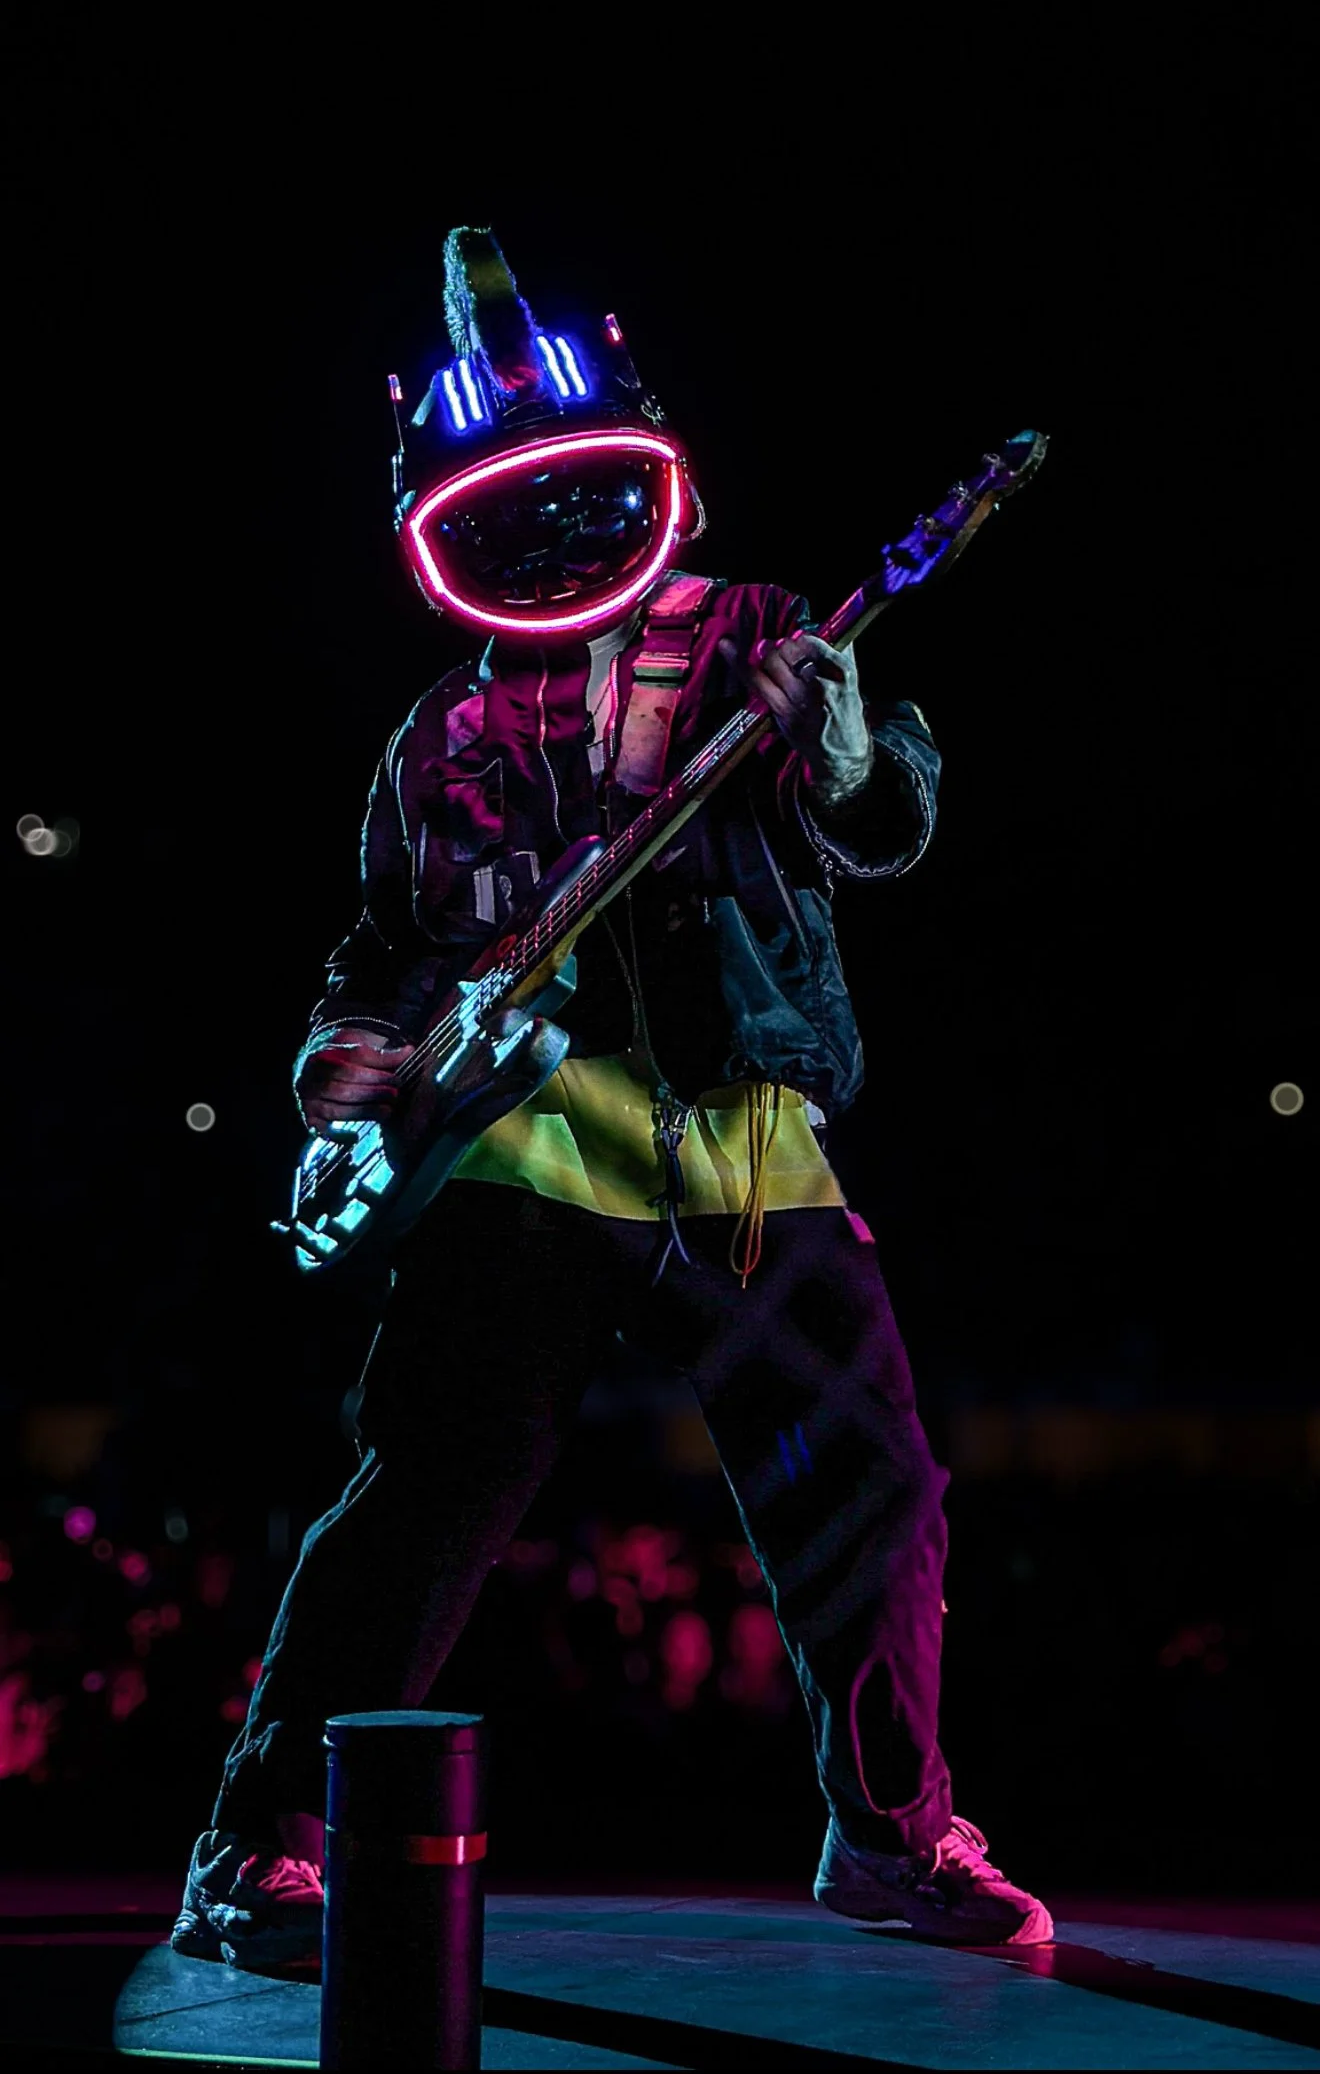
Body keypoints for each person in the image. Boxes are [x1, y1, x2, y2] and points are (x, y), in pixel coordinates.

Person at [171, 229, 1052, 1972]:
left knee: (873, 1488)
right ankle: (257, 1846)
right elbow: (384, 946)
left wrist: (842, 755)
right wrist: (341, 1066)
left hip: (747, 1142)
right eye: (507, 501)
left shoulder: (764, 635)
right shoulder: (436, 739)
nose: (554, 524)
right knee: (428, 1495)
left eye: (579, 487)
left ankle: (889, 1835)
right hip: (526, 1148)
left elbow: (885, 815)